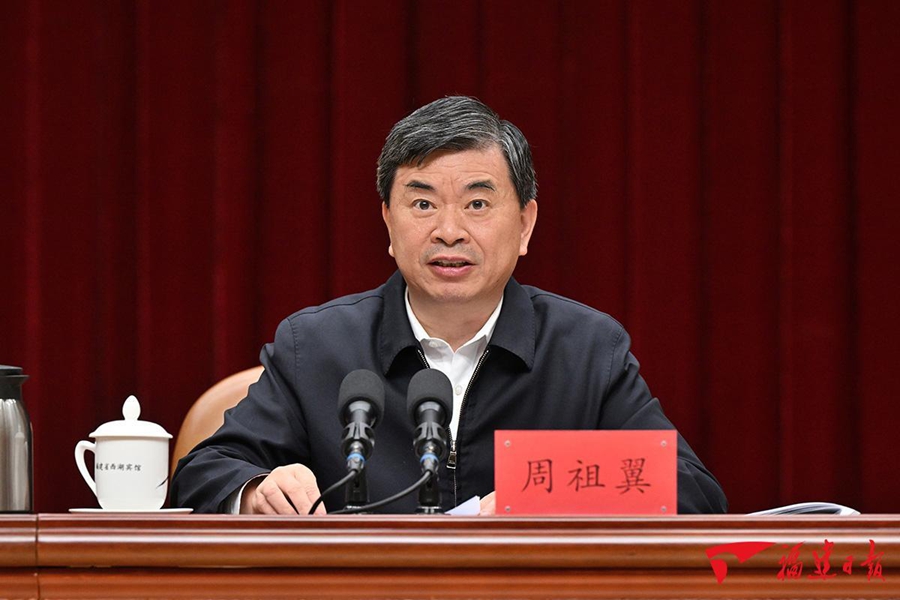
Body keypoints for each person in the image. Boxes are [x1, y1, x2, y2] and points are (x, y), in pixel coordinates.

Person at [170, 96, 727, 515]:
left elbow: (694, 493)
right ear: (388, 223)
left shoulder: (586, 350)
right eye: (422, 204)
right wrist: (255, 490)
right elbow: (203, 473)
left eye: (477, 204)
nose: (449, 231)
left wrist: (542, 492)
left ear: (525, 224)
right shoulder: (315, 347)